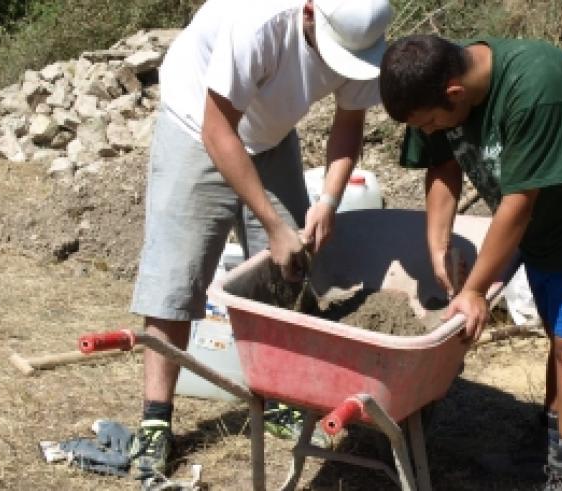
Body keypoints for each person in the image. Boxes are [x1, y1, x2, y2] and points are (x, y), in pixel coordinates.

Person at [379, 35, 562, 490]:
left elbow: (518, 204)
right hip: (549, 219)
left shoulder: (535, 87)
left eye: (433, 122)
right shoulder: (432, 88)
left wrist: (474, 290)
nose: (431, 131)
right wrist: (437, 244)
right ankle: (555, 446)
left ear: (454, 93)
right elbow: (443, 166)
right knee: (559, 333)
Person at [128, 0, 393, 479]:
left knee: (292, 268)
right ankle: (155, 420)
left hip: (270, 136)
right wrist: (273, 224)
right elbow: (217, 128)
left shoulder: (362, 37)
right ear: (310, 13)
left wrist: (329, 201)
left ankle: (278, 399)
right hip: (198, 124)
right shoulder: (257, 23)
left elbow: (348, 125)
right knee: (177, 275)